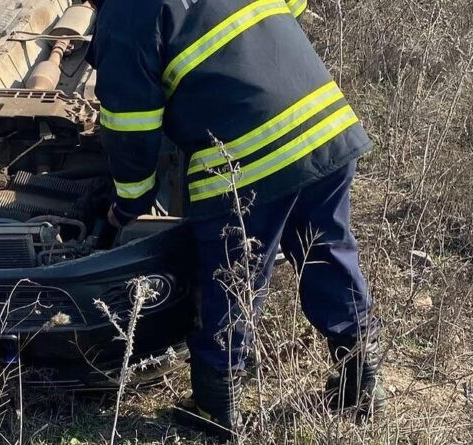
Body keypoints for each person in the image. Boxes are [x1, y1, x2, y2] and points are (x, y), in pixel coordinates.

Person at [85, 0, 384, 440]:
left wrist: (126, 206)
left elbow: (131, 128)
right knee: (327, 252)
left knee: (231, 278)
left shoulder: (127, 12)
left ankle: (215, 407)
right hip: (324, 122)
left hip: (249, 157)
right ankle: (362, 385)